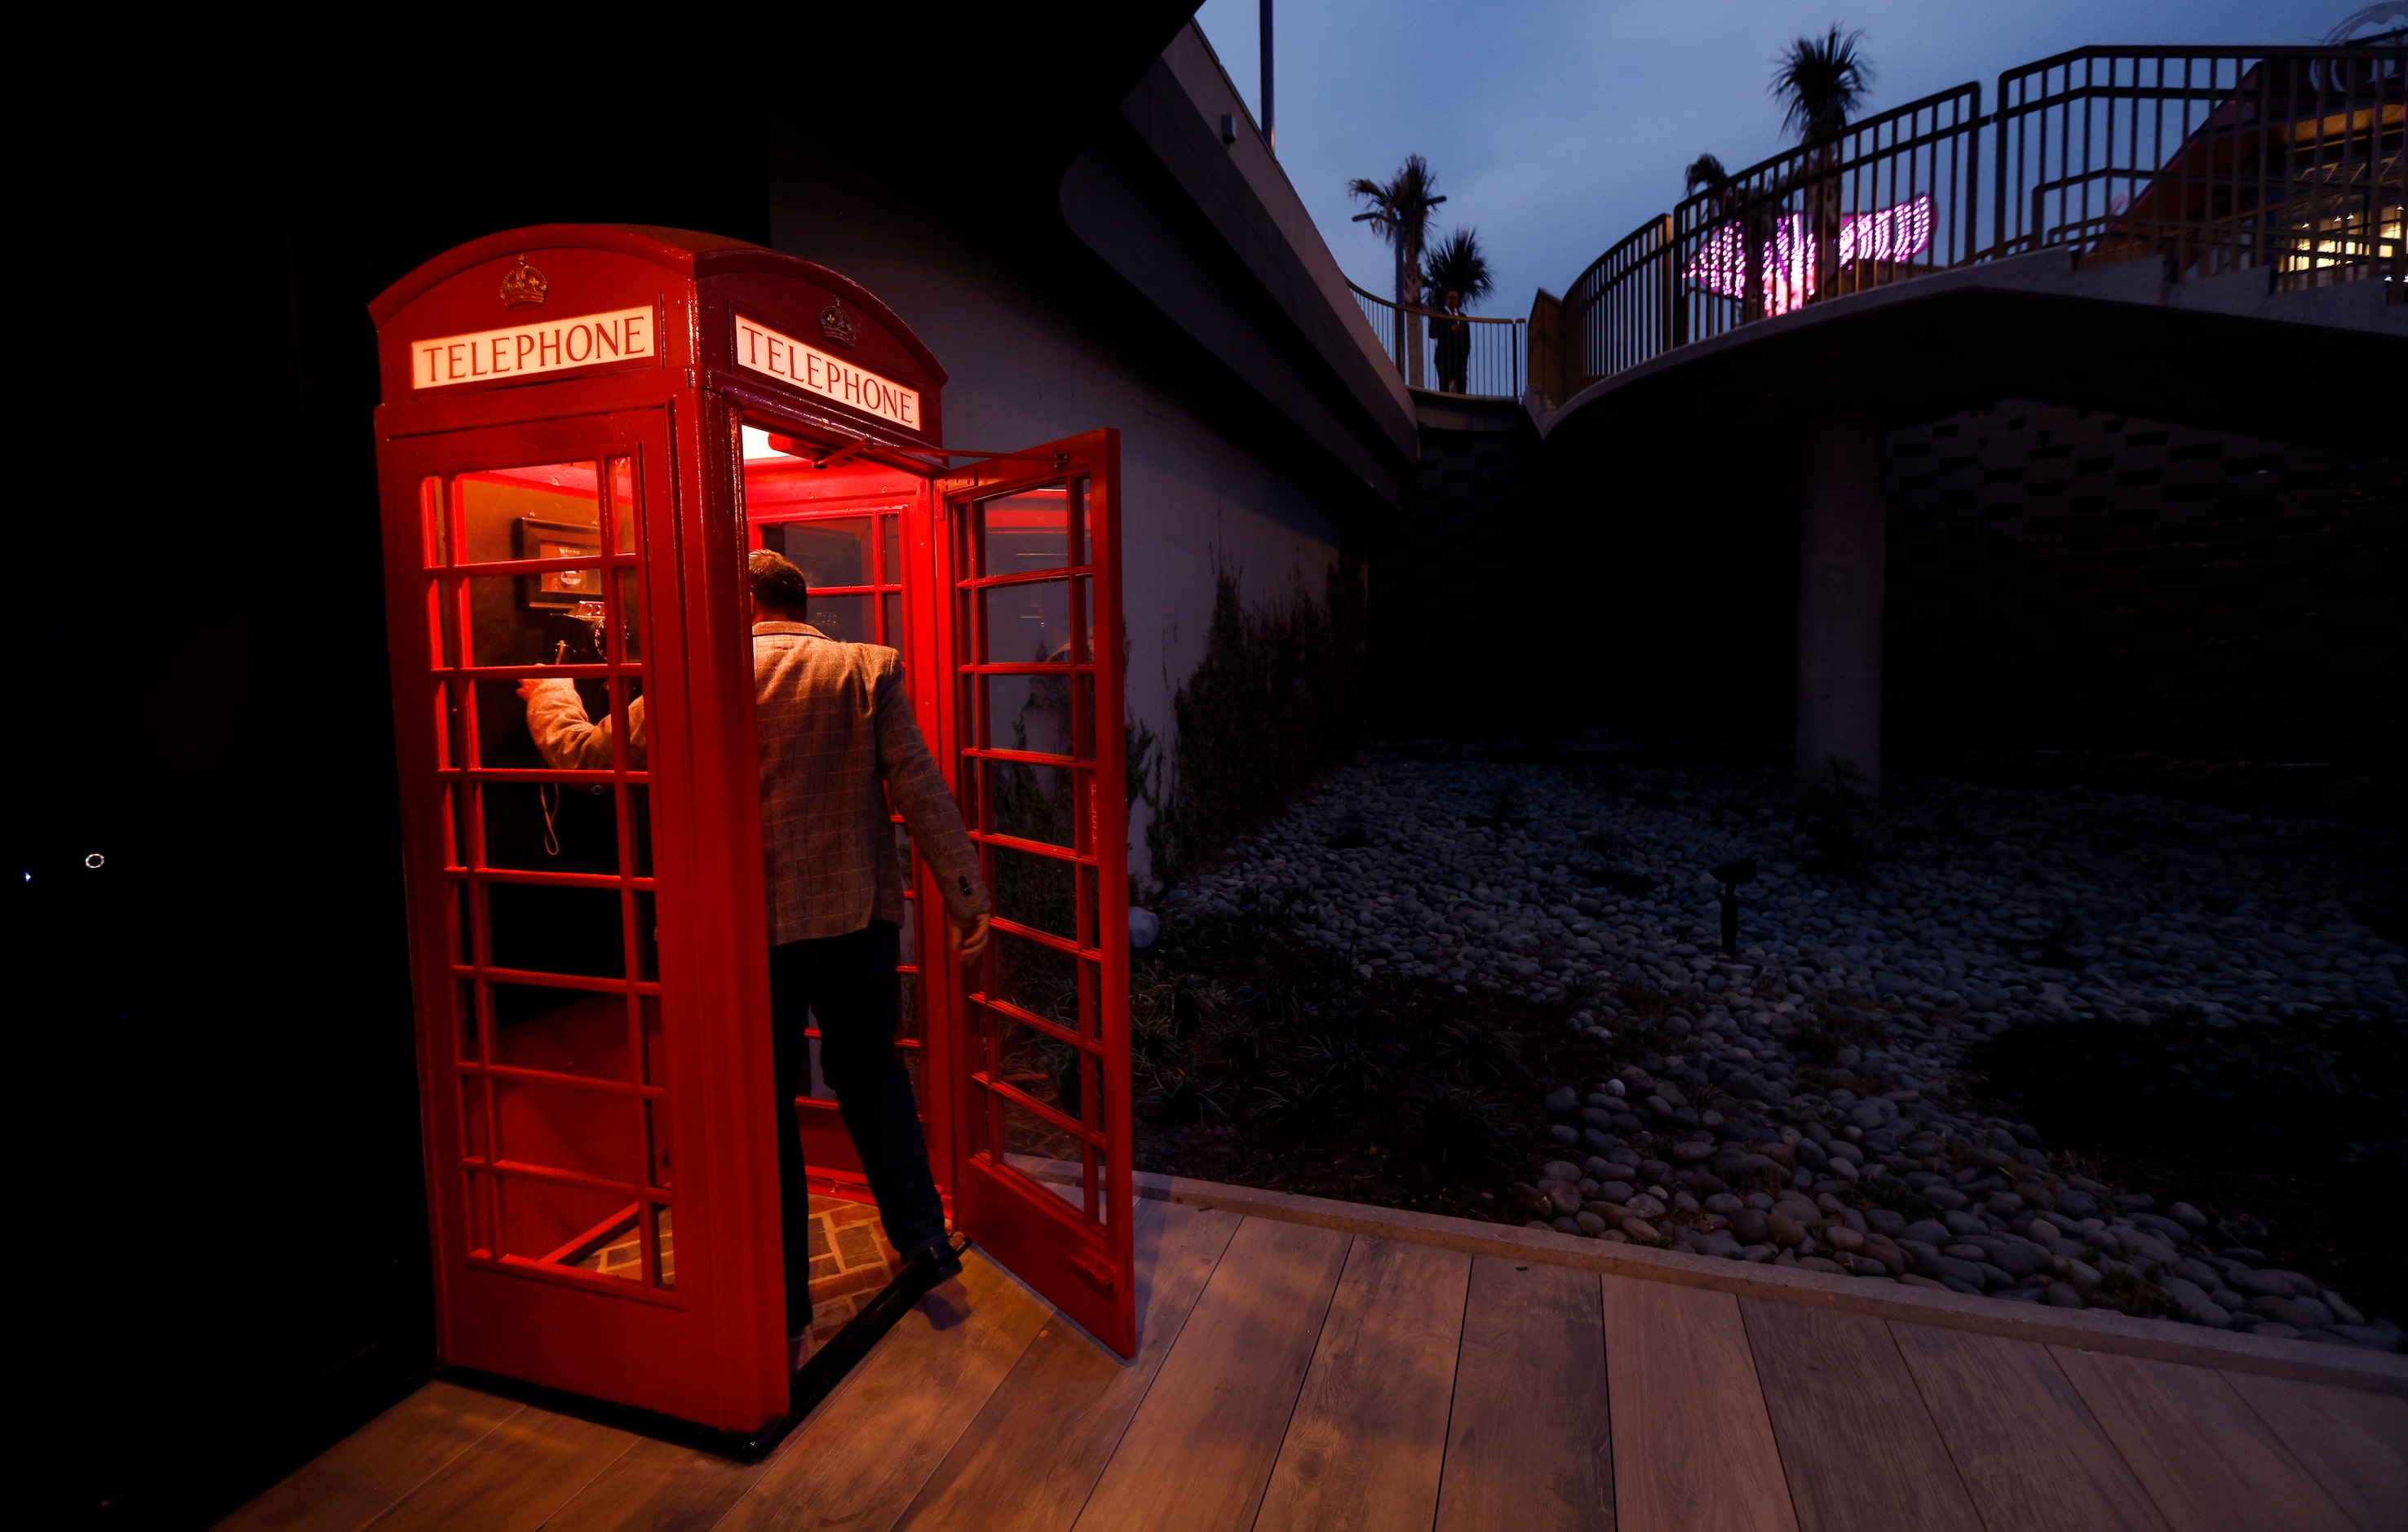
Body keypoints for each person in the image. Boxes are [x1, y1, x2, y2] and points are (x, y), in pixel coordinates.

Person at [520, 549, 991, 1360]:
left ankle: (784, 1306)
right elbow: (919, 787)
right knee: (873, 1078)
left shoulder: (696, 677)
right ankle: (922, 1239)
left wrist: (552, 691)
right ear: (797, 602)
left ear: (743, 600)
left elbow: (590, 759)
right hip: (856, 924)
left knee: (765, 1109)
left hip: (748, 936)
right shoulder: (861, 671)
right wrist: (966, 895)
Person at [1432, 288, 1471, 395]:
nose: (1453, 300)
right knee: (1444, 386)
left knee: (1461, 386)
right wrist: (1449, 330)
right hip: (1444, 357)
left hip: (1459, 358)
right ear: (1446, 299)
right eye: (1451, 298)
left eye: (1455, 298)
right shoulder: (1439, 314)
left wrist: (1465, 354)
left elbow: (1467, 339)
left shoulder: (1462, 317)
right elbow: (1432, 332)